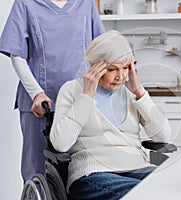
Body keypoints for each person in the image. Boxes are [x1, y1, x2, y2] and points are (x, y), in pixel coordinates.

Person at [50, 30, 171, 200]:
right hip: (93, 173)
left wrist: (139, 91)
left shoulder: (130, 93)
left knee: (172, 187)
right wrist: (86, 96)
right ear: (94, 67)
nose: (120, 77)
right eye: (112, 69)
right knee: (143, 193)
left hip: (137, 167)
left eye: (125, 68)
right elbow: (61, 144)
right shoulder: (71, 90)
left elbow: (163, 136)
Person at [0, 0, 105, 182]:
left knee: (82, 167)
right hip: (40, 103)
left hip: (80, 100)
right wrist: (36, 93)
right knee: (37, 170)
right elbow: (17, 55)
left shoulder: (85, 4)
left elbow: (100, 48)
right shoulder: (26, 3)